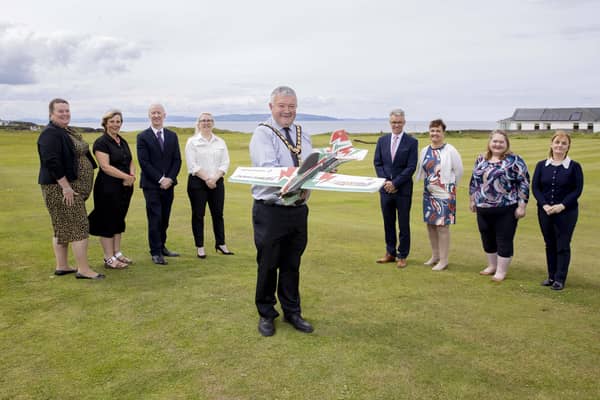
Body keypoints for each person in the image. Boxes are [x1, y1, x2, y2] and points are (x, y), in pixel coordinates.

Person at [249, 86, 314, 337]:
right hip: (271, 210)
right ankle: (266, 313)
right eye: (282, 106)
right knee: (268, 264)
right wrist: (301, 182)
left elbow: (310, 166)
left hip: (298, 210)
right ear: (271, 107)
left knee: (292, 263)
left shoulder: (301, 133)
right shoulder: (263, 134)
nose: (287, 111)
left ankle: (292, 311)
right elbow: (271, 170)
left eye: (292, 106)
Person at [37, 98, 103, 279]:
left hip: (69, 187)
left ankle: (63, 265)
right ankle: (83, 269)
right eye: (60, 111)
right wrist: (66, 187)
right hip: (60, 188)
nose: (65, 114)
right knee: (79, 226)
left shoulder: (65, 130)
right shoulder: (49, 134)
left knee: (62, 226)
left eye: (67, 110)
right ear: (51, 113)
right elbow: (51, 162)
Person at [469, 130, 530, 282]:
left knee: (504, 239)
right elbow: (474, 181)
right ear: (489, 143)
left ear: (506, 144)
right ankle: (492, 266)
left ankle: (501, 271)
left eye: (501, 142)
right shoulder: (481, 159)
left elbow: (523, 183)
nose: (497, 144)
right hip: (483, 206)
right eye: (494, 141)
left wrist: (522, 206)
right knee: (487, 237)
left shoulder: (515, 160)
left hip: (506, 207)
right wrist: (472, 200)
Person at [532, 131, 584, 290]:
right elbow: (535, 187)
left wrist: (562, 205)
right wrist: (544, 205)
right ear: (551, 144)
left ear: (568, 146)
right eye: (557, 142)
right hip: (545, 212)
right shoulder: (541, 165)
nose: (560, 146)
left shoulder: (574, 167)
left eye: (563, 143)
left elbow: (577, 190)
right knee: (550, 244)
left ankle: (560, 278)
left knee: (562, 245)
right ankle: (551, 276)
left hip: (566, 213)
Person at [88, 109, 135, 270]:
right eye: (112, 121)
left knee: (118, 219)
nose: (116, 124)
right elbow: (105, 166)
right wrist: (125, 177)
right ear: (106, 123)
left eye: (118, 121)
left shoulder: (121, 141)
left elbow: (130, 160)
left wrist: (132, 176)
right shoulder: (101, 142)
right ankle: (109, 258)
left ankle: (117, 253)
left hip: (125, 187)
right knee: (107, 220)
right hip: (107, 188)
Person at [415, 119, 463, 271]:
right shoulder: (425, 150)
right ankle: (434, 256)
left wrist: (449, 186)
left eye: (438, 131)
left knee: (442, 227)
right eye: (432, 131)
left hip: (445, 193)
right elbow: (422, 171)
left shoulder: (450, 150)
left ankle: (443, 260)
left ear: (443, 133)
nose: (435, 133)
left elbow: (459, 170)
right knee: (430, 225)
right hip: (429, 192)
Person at [137, 104, 182, 265]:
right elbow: (144, 162)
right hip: (151, 185)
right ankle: (155, 252)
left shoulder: (172, 135)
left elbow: (177, 160)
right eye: (153, 113)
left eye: (159, 113)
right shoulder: (143, 136)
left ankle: (162, 246)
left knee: (165, 218)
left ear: (164, 115)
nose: (156, 115)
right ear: (149, 115)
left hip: (169, 185)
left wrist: (169, 178)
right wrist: (160, 179)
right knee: (155, 218)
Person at [373, 109, 418, 268]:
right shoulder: (382, 141)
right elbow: (378, 163)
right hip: (385, 190)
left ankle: (402, 255)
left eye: (399, 122)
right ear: (389, 122)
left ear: (404, 122)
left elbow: (411, 166)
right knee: (388, 222)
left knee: (403, 224)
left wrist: (395, 183)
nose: (396, 125)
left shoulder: (412, 142)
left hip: (403, 190)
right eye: (393, 122)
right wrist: (387, 182)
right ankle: (390, 253)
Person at [185, 112, 233, 259]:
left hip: (217, 182)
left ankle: (221, 244)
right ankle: (200, 247)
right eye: (203, 120)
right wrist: (207, 179)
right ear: (198, 124)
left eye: (209, 120)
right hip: (198, 183)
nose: (206, 123)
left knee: (218, 214)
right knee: (198, 215)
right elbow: (192, 165)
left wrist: (215, 178)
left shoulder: (220, 142)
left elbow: (225, 163)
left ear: (213, 123)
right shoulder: (192, 142)